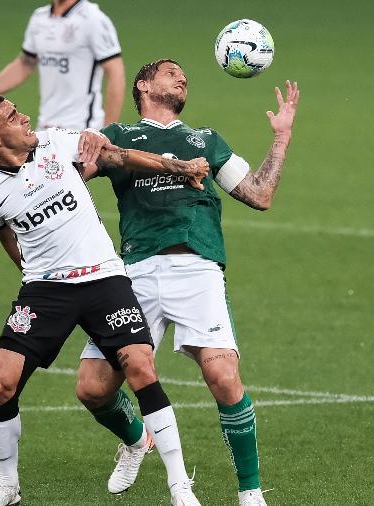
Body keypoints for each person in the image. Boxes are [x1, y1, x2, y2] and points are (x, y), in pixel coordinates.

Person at [74, 59, 299, 506]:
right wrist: (87, 143)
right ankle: (137, 439)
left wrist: (281, 138)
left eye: (185, 76)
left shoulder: (205, 140)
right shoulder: (119, 136)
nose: (182, 78)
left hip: (197, 268)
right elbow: (80, 173)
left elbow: (259, 194)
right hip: (134, 273)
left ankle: (250, 493)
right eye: (171, 72)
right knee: (93, 388)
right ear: (143, 84)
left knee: (223, 375)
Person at [0, 95, 207, 506]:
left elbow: (117, 154)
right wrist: (26, 270)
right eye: (11, 116)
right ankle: (8, 485)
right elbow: (4, 231)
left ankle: (180, 487)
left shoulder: (55, 143)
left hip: (103, 279)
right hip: (45, 289)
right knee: (3, 385)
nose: (23, 117)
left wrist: (179, 168)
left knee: (141, 367)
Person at [0, 0, 124, 130]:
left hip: (81, 129)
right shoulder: (39, 18)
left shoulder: (93, 19)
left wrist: (106, 132)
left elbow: (116, 74)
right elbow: (24, 64)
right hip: (45, 128)